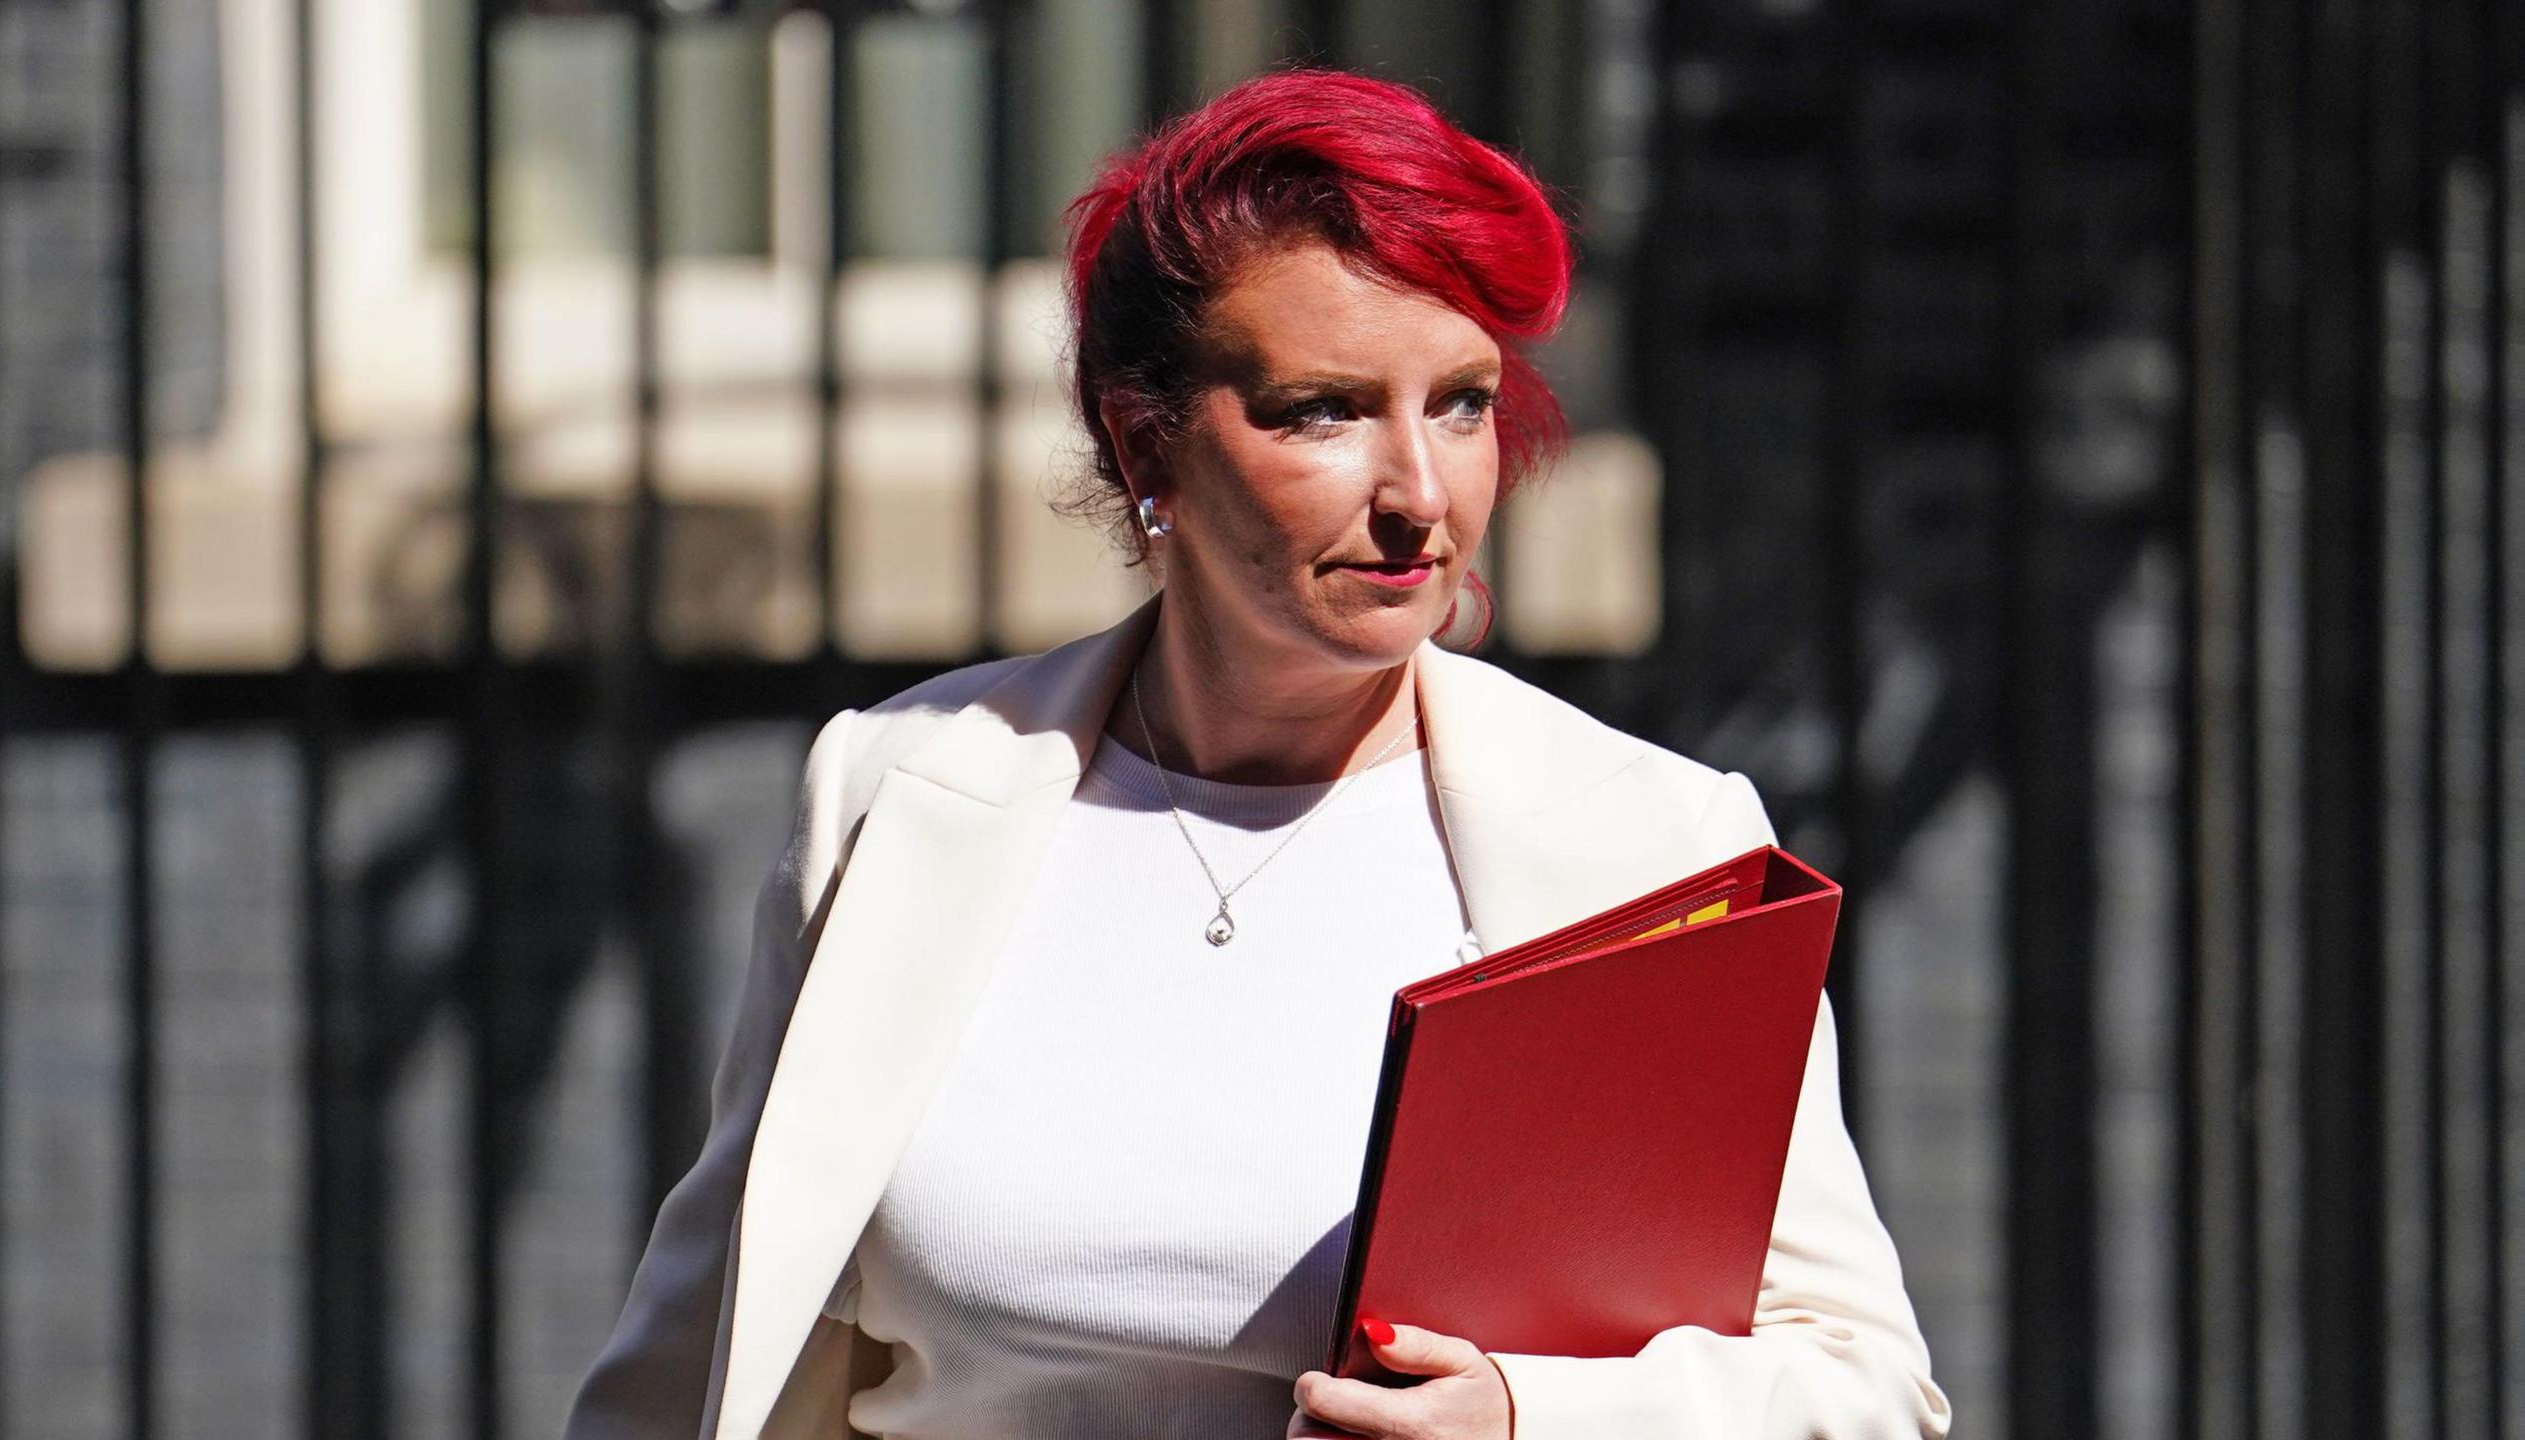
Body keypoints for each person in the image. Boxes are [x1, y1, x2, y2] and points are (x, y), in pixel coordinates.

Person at [563, 66, 1951, 1440]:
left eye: (1462, 402)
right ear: (1144, 437)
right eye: (1324, 410)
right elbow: (703, 1344)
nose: (1419, 493)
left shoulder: (1647, 840)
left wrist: (1527, 1417)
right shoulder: (908, 792)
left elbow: (1863, 1387)